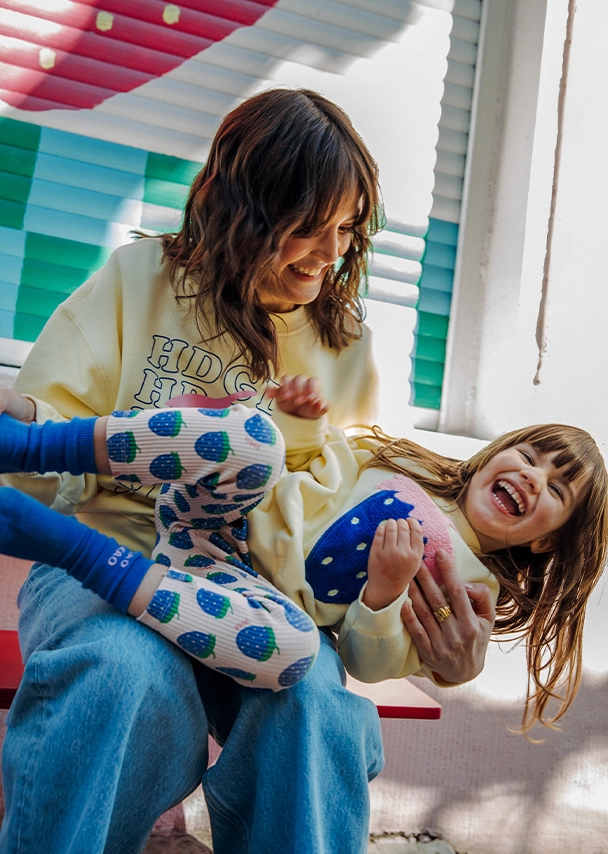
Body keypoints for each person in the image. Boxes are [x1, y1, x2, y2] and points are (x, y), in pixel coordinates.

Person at [0, 88, 494, 854]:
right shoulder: (143, 280)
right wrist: (32, 426)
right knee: (121, 674)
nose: (333, 253)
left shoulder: (346, 345)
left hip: (259, 591)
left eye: (347, 229)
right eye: (311, 226)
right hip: (108, 561)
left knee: (315, 709)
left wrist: (435, 647)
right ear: (249, 207)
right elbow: (37, 475)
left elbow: (346, 523)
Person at [0, 379, 605, 732]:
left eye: (555, 488)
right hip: (218, 515)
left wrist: (385, 593)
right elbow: (309, 459)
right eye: (529, 456)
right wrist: (297, 421)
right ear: (497, 452)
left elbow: (371, 663)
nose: (531, 477)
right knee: (255, 436)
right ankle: (33, 444)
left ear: (547, 540)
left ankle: (70, 546)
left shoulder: (470, 595)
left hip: (237, 595)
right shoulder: (406, 462)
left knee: (294, 651)